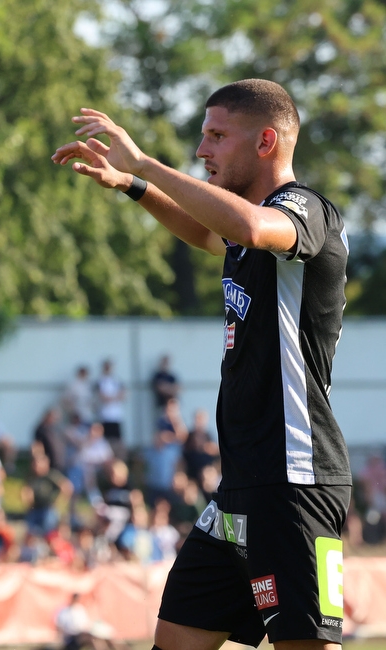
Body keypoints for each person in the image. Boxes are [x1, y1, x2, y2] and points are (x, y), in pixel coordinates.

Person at [54, 79, 351, 650]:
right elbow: (209, 233)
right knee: (174, 639)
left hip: (296, 479)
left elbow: (247, 227)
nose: (201, 150)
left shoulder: (305, 209)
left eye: (216, 136)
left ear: (266, 142)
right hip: (240, 484)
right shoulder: (246, 228)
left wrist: (146, 162)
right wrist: (132, 184)